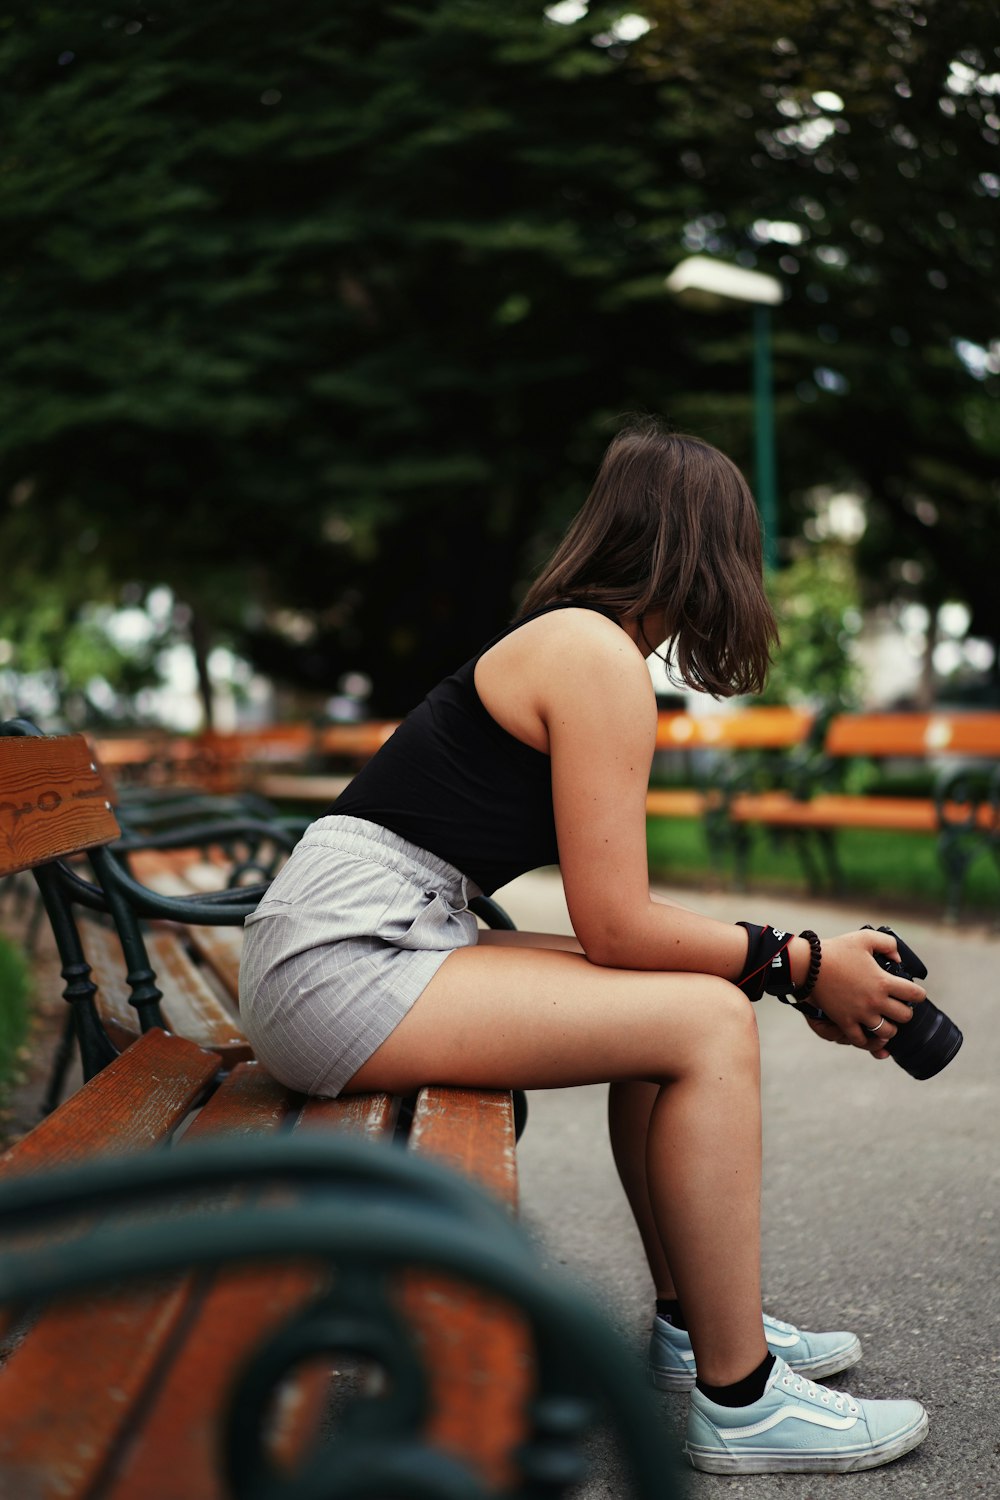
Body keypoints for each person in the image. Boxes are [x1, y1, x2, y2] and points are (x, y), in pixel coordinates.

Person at [239, 420, 930, 1475]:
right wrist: (798, 961)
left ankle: (698, 1331)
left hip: (356, 936)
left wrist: (794, 970)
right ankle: (739, 1403)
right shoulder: (595, 658)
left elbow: (624, 934)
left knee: (683, 997)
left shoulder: (570, 640)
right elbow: (617, 924)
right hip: (344, 956)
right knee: (701, 1016)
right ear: (705, 552)